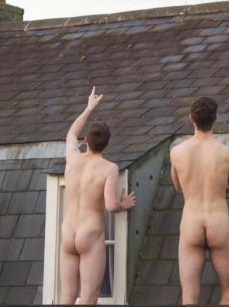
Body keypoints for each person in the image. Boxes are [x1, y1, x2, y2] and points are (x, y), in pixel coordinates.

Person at [59, 87, 136, 304]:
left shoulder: (72, 158)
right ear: (106, 144)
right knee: (89, 298)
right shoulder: (109, 168)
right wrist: (123, 203)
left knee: (66, 295)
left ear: (86, 140)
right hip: (90, 234)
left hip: (68, 232)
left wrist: (89, 107)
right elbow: (111, 205)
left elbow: (70, 134)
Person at [170, 97, 229, 305]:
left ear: (192, 118)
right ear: (215, 118)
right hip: (218, 221)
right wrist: (220, 190)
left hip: (191, 222)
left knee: (189, 297)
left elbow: (179, 188)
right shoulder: (227, 153)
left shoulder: (177, 152)